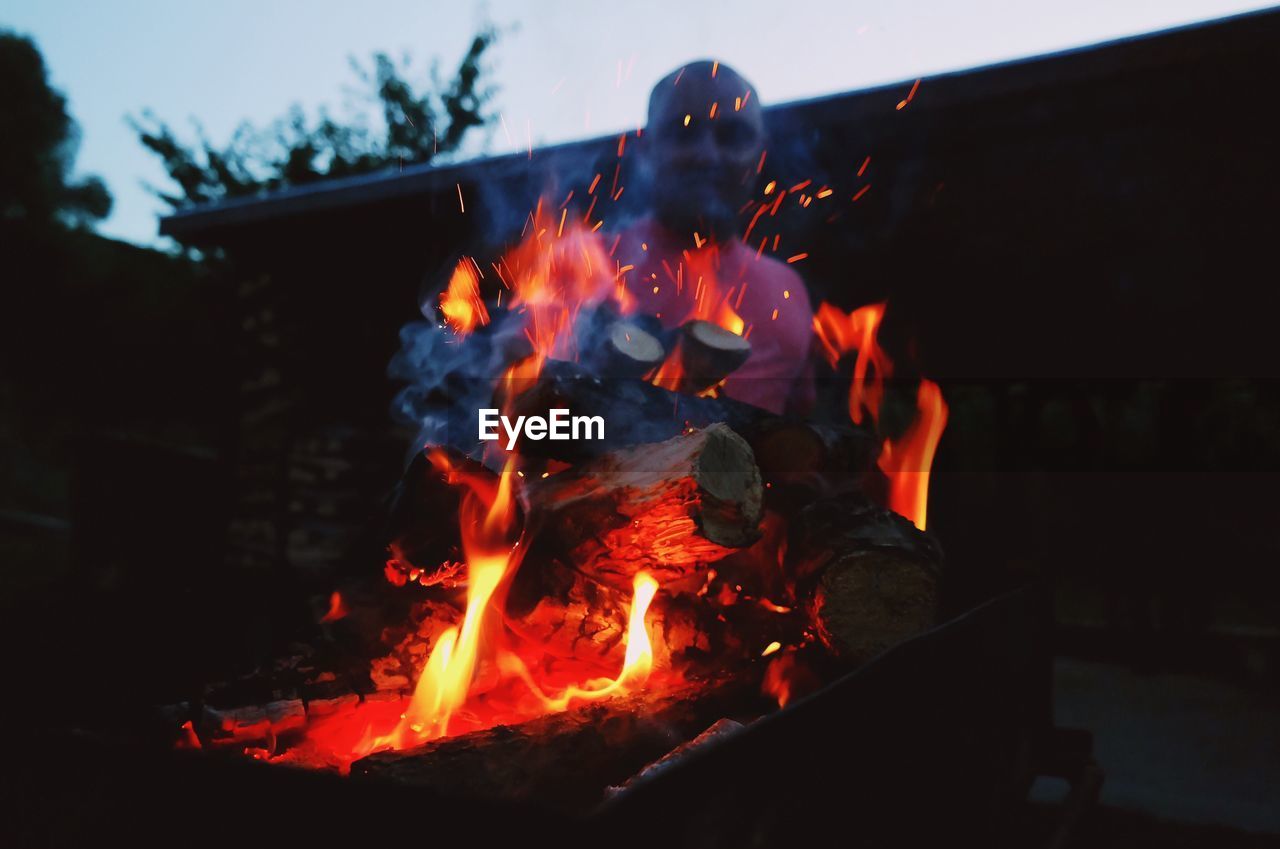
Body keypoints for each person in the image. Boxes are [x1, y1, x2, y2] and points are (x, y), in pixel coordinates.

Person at [613, 60, 816, 415]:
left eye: (732, 135)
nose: (707, 155)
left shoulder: (789, 290)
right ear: (644, 147)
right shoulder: (579, 270)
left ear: (760, 154)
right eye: (683, 132)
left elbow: (798, 443)